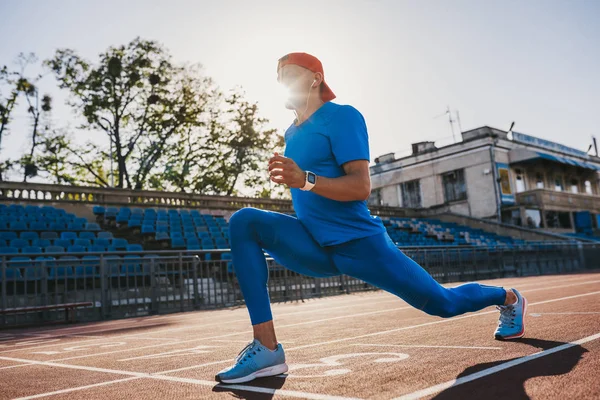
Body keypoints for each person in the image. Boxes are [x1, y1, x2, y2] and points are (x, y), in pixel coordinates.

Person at [215, 53, 527, 384]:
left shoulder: (343, 117)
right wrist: (298, 180)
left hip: (360, 245)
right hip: (315, 244)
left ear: (315, 78)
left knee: (444, 304)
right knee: (244, 221)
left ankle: (507, 297)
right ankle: (266, 349)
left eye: (289, 74)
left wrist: (305, 178)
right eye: (278, 77)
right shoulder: (291, 134)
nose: (281, 82)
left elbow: (361, 187)